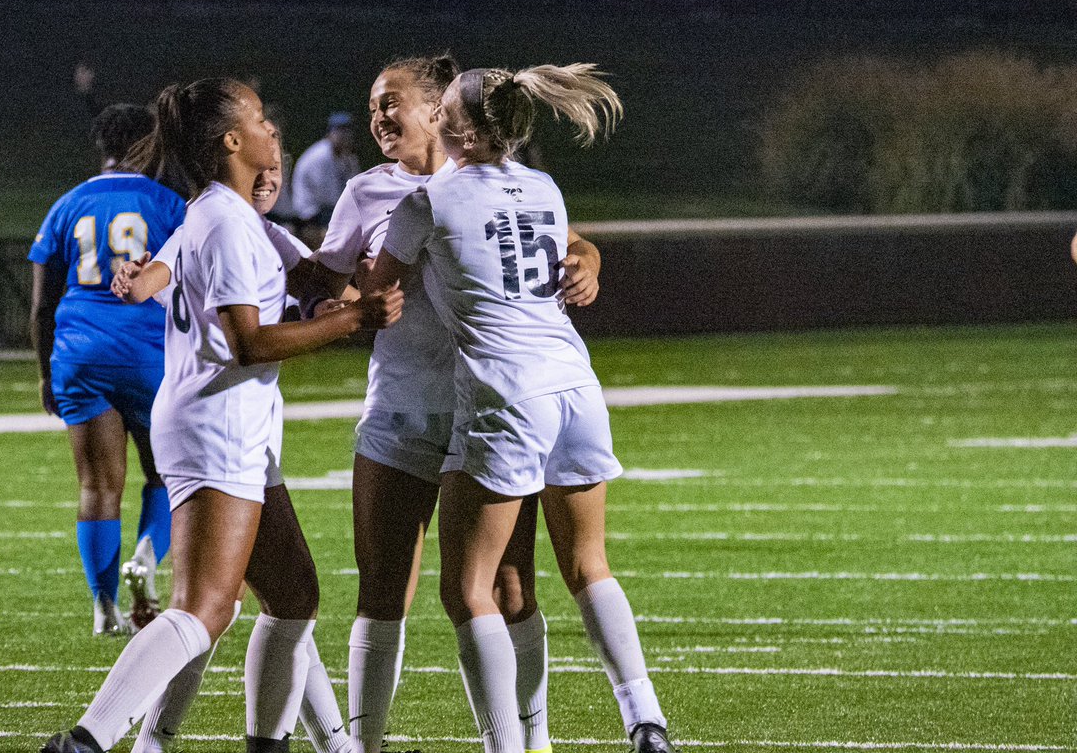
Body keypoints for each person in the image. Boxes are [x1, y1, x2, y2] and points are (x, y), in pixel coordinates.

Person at [41, 77, 403, 753]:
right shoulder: (226, 222)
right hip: (217, 423)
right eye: (263, 120)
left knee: (292, 594)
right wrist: (353, 318)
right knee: (205, 608)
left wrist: (386, 224)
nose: (274, 132)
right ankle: (87, 740)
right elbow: (250, 341)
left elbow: (311, 278)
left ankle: (301, 745)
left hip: (233, 427)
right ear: (233, 140)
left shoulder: (227, 217)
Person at [369, 64, 675, 753]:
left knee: (467, 590)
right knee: (587, 565)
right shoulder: (543, 186)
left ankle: (507, 747)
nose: (437, 117)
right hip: (575, 386)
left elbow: (373, 286)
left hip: (506, 394)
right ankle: (645, 717)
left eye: (444, 109)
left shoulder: (426, 201)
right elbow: (561, 244)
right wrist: (587, 255)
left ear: (468, 131)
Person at [303, 54, 603, 753]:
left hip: (488, 414)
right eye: (372, 104)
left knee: (510, 588)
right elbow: (328, 281)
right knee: (383, 590)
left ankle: (534, 739)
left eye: (392, 101)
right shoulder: (369, 193)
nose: (379, 116)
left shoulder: (493, 181)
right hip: (402, 410)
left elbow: (561, 237)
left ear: (439, 109)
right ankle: (365, 743)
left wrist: (588, 257)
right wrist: (333, 299)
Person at [29, 103, 185, 636]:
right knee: (166, 474)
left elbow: (42, 304)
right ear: (149, 146)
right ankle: (146, 555)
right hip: (149, 353)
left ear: (102, 148)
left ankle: (104, 607)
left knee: (97, 486)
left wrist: (48, 374)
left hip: (80, 352)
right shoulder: (169, 203)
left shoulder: (67, 205)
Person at [291, 111, 360, 248]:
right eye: (340, 131)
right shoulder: (320, 155)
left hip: (328, 210)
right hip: (309, 214)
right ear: (330, 133)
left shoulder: (347, 157)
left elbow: (356, 188)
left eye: (348, 131)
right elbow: (328, 197)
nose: (345, 135)